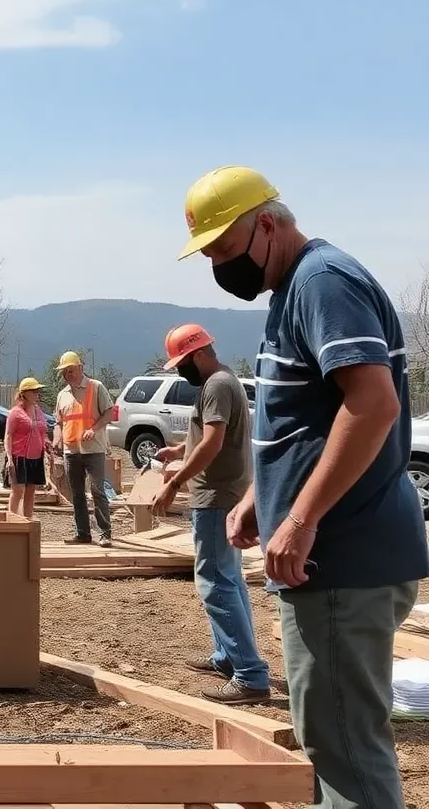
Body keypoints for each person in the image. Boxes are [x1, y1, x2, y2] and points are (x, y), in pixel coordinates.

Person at [179, 165, 429, 809]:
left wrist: (301, 518)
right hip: (335, 553)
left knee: (343, 745)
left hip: (344, 555)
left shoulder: (321, 282)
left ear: (268, 223)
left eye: (226, 251)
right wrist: (263, 498)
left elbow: (372, 406)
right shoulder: (294, 288)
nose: (220, 268)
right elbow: (308, 418)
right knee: (333, 736)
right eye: (208, 257)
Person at [150, 324, 270, 705]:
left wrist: (173, 483)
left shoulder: (216, 384)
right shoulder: (223, 381)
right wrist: (179, 449)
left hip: (216, 497)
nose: (180, 370)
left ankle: (249, 674)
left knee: (215, 582)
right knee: (228, 579)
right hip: (223, 495)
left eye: (182, 362)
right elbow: (208, 434)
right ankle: (227, 657)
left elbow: (215, 441)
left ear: (199, 353)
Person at [52, 351, 116, 547]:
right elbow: (59, 422)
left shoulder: (96, 387)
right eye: (64, 372)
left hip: (94, 449)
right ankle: (83, 533)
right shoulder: (62, 395)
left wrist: (94, 429)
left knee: (97, 490)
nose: (68, 374)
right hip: (71, 451)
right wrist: (57, 439)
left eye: (71, 370)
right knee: (77, 493)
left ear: (81, 368)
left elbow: (109, 412)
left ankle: (105, 533)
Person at [4, 377, 50, 518]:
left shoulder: (38, 411)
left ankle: (27, 521)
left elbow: (42, 432)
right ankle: (12, 522)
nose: (37, 394)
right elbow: (8, 435)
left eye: (38, 391)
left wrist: (47, 448)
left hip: (35, 457)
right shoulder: (15, 413)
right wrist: (10, 458)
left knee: (31, 492)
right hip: (19, 456)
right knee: (18, 491)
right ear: (25, 393)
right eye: (34, 391)